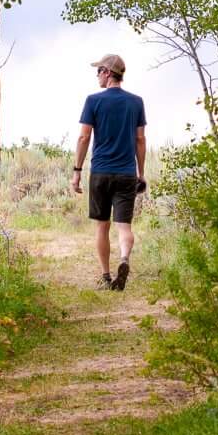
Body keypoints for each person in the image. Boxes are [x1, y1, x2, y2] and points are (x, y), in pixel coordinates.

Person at [72, 52, 146, 290]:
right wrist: (140, 173)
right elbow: (140, 140)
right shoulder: (136, 102)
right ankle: (124, 258)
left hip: (101, 172)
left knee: (102, 226)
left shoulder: (93, 101)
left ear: (107, 72)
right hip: (126, 173)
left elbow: (84, 137)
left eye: (98, 72)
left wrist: (77, 171)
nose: (97, 78)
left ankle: (105, 276)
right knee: (124, 226)